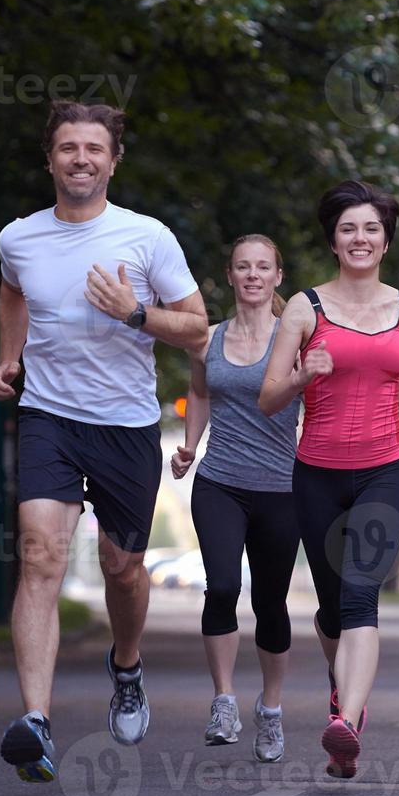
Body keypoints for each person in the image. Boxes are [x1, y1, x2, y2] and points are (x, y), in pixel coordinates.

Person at [0, 100, 208, 783]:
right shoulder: (18, 238)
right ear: (49, 158)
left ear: (114, 160)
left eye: (93, 148)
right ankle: (36, 723)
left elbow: (199, 327)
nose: (80, 158)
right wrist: (8, 359)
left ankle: (127, 664)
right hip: (48, 417)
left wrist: (136, 313)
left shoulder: (147, 237)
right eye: (66, 147)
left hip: (126, 424)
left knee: (122, 569)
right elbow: (12, 294)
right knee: (40, 560)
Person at [259, 179, 399, 780]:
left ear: (386, 241)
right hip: (316, 476)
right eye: (348, 229)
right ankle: (344, 694)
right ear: (333, 241)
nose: (360, 238)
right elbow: (267, 398)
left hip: (384, 471)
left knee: (363, 593)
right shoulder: (305, 308)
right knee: (333, 609)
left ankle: (347, 721)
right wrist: (305, 375)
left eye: (371, 229)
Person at [170, 234, 302, 763]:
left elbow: (314, 404)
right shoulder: (208, 338)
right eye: (243, 267)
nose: (252, 275)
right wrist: (188, 446)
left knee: (270, 602)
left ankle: (270, 710)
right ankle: (223, 699)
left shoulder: (295, 340)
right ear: (229, 276)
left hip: (281, 488)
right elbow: (200, 392)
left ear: (277, 277)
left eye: (262, 267)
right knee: (222, 586)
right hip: (220, 481)